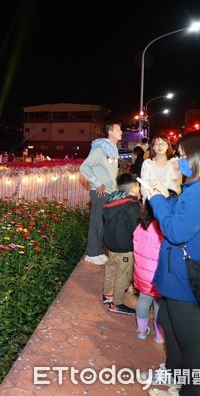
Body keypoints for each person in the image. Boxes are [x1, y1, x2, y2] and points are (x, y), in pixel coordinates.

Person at [144, 128, 200, 396]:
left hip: (187, 274)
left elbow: (175, 231)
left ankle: (188, 391)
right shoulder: (196, 186)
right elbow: (182, 216)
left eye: (185, 156)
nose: (180, 161)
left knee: (191, 342)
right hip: (176, 270)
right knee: (167, 320)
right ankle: (174, 374)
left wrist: (157, 200)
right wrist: (167, 196)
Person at [80, 122, 122, 265]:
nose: (121, 131)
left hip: (110, 192)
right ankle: (92, 253)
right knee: (97, 223)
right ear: (110, 132)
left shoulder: (111, 149)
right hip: (100, 192)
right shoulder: (100, 149)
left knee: (103, 223)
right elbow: (84, 167)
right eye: (118, 129)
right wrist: (97, 183)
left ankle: (98, 251)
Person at [102, 172, 141, 315]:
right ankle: (117, 303)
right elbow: (135, 229)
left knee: (111, 270)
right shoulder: (133, 206)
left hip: (111, 245)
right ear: (134, 189)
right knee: (123, 276)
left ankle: (107, 294)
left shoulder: (111, 201)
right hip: (125, 247)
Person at [133, 201, 164, 343]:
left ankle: (141, 331)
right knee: (159, 304)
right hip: (158, 274)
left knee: (143, 301)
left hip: (142, 273)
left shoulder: (140, 226)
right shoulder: (163, 229)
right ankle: (159, 335)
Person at [140, 135, 182, 200]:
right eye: (157, 144)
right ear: (153, 147)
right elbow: (144, 186)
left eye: (163, 143)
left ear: (168, 146)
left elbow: (177, 184)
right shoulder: (147, 163)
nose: (160, 146)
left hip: (171, 200)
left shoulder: (175, 162)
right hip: (152, 200)